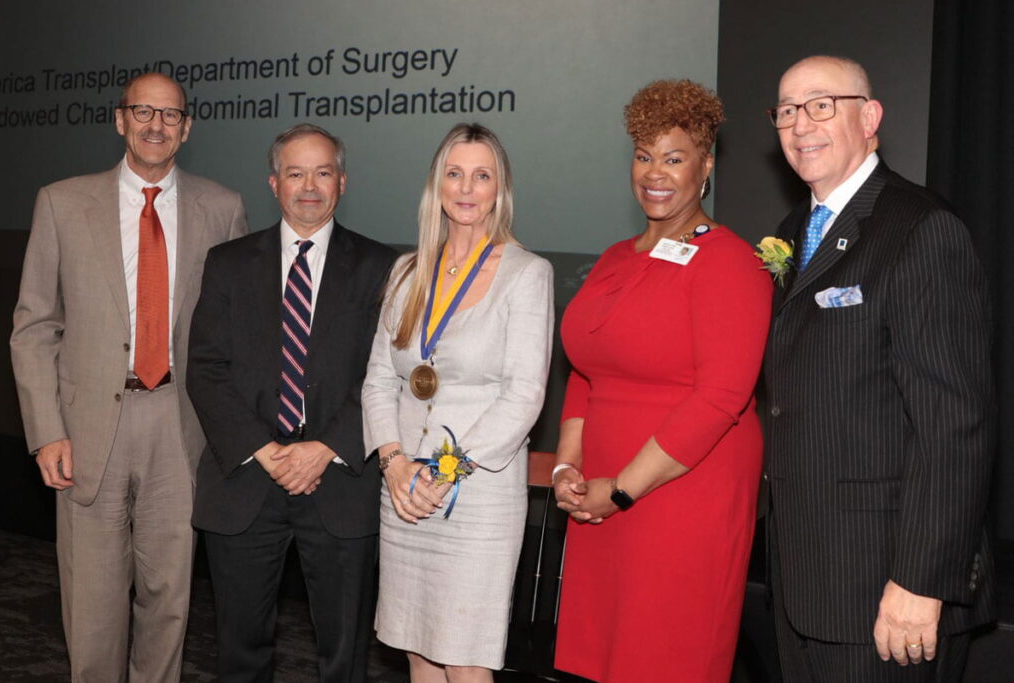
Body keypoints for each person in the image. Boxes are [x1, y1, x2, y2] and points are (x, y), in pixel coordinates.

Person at [9, 72, 248, 681]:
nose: (155, 125)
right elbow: (35, 326)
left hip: (180, 426)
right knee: (91, 600)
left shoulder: (222, 208)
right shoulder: (61, 202)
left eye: (170, 116)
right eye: (142, 111)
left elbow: (235, 337)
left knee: (169, 599)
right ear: (119, 120)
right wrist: (46, 431)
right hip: (87, 431)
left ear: (187, 128)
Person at [763, 55, 994, 681]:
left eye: (820, 104)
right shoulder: (793, 231)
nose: (799, 124)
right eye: (786, 110)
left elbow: (953, 425)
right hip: (806, 580)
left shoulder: (921, 228)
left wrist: (921, 580)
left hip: (887, 589)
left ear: (870, 118)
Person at [552, 79, 773, 682]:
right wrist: (567, 467)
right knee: (603, 659)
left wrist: (622, 489)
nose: (656, 173)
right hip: (598, 492)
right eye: (644, 156)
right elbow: (585, 369)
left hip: (681, 495)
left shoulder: (731, 261)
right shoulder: (615, 258)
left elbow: (722, 398)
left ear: (705, 167)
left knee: (664, 657)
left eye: (674, 158)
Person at [187, 123, 395, 682]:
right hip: (245, 483)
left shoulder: (384, 267)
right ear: (274, 183)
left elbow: (387, 374)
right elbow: (206, 370)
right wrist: (267, 450)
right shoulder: (227, 263)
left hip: (341, 484)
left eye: (323, 172)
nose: (309, 186)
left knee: (343, 658)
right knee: (240, 654)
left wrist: (324, 447)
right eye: (296, 173)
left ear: (343, 182)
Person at [362, 122, 553, 680]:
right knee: (418, 653)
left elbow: (524, 396)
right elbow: (379, 380)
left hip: (477, 496)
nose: (467, 188)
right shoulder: (405, 272)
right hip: (403, 494)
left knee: (467, 662)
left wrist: (445, 470)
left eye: (482, 175)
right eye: (455, 174)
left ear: (500, 189)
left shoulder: (527, 274)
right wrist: (395, 465)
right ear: (436, 186)